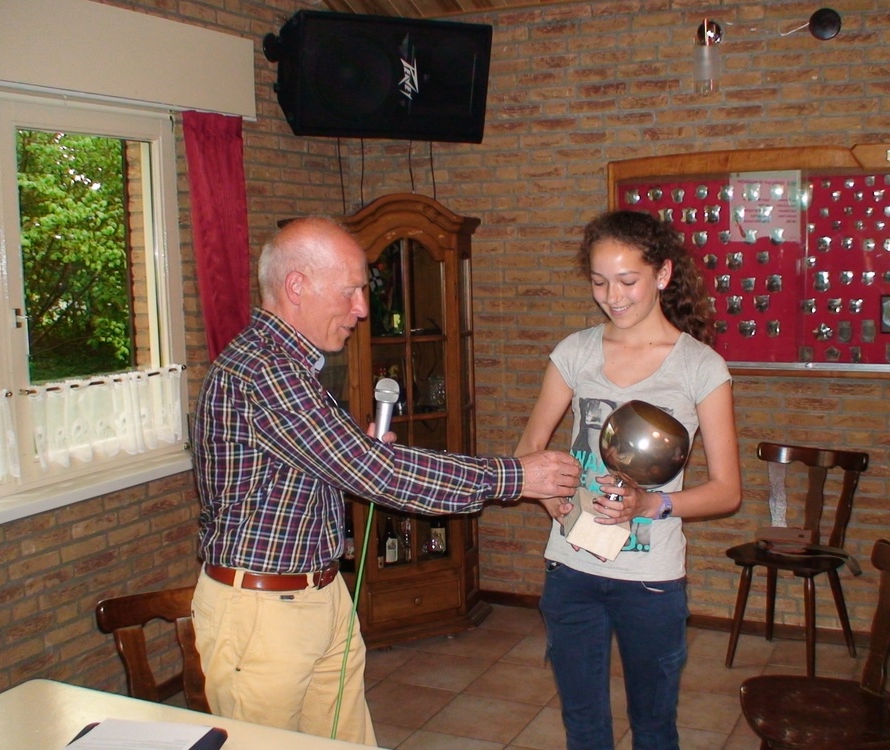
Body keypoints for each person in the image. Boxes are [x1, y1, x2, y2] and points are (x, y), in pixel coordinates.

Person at [191, 216, 581, 745]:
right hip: (263, 615)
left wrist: (354, 451)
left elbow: (316, 466)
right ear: (297, 286)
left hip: (318, 594)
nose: (361, 308)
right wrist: (515, 475)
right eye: (350, 290)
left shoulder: (290, 366)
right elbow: (377, 474)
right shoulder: (266, 370)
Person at [515, 210, 741, 749]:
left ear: (662, 274)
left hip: (650, 580)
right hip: (571, 569)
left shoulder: (700, 367)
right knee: (584, 727)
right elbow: (528, 450)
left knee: (654, 727)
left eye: (626, 281)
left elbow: (727, 491)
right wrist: (552, 497)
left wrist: (649, 505)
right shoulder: (575, 352)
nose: (612, 297)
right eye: (599, 282)